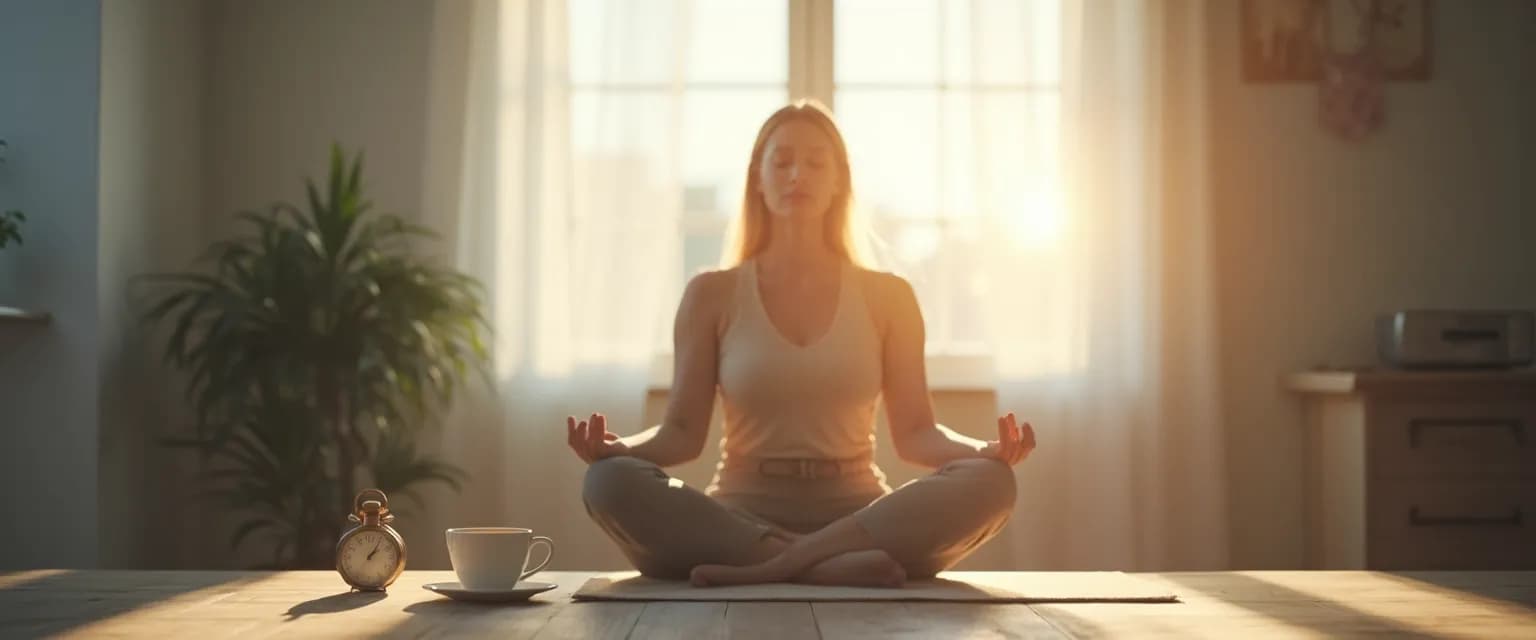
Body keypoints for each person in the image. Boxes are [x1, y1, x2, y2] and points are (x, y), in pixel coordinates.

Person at [568, 99, 1036, 588]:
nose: (798, 175)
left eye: (816, 163)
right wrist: (619, 448)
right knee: (608, 481)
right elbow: (681, 432)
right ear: (758, 178)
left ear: (839, 182)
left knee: (992, 483)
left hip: (860, 516)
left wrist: (984, 450)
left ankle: (778, 567)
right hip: (739, 517)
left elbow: (917, 434)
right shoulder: (711, 294)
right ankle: (825, 566)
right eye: (783, 161)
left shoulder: (889, 295)